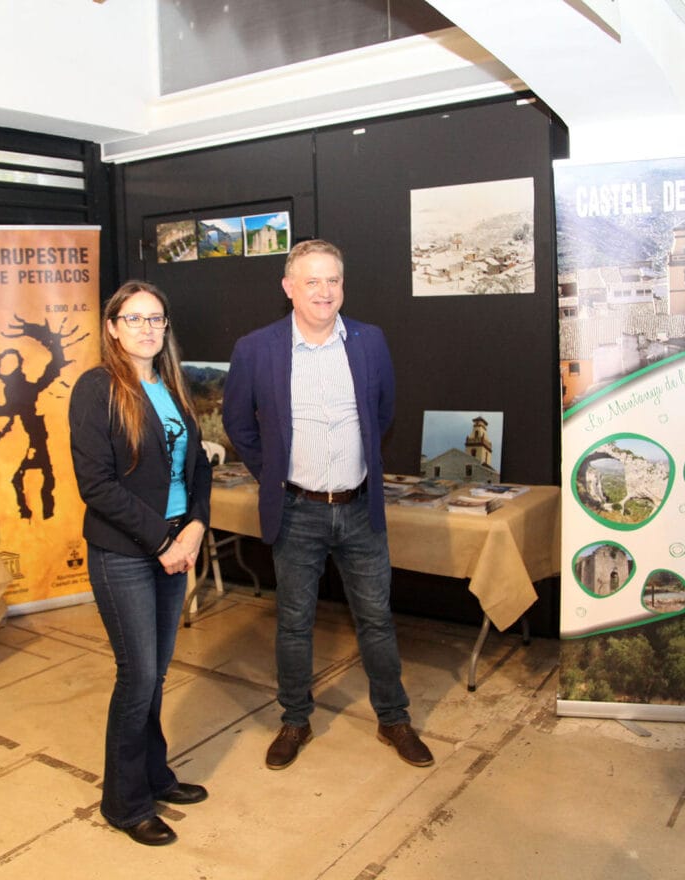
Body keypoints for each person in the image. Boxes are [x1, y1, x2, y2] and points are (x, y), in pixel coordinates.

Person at [222, 239, 434, 771]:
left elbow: (381, 415)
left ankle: (394, 719)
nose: (324, 291)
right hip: (297, 511)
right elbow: (238, 424)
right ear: (289, 288)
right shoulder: (256, 348)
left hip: (360, 508)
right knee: (294, 623)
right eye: (311, 281)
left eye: (332, 280)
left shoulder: (369, 341)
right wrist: (272, 474)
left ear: (343, 286)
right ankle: (294, 720)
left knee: (377, 621)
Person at [68, 280, 213, 847]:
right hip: (127, 552)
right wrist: (165, 540)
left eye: (156, 318)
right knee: (138, 677)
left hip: (176, 545)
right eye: (134, 319)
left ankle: (155, 774)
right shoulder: (97, 388)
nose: (148, 328)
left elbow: (198, 464)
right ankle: (124, 803)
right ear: (112, 327)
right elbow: (97, 486)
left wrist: (196, 524)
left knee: (155, 674)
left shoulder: (171, 386)